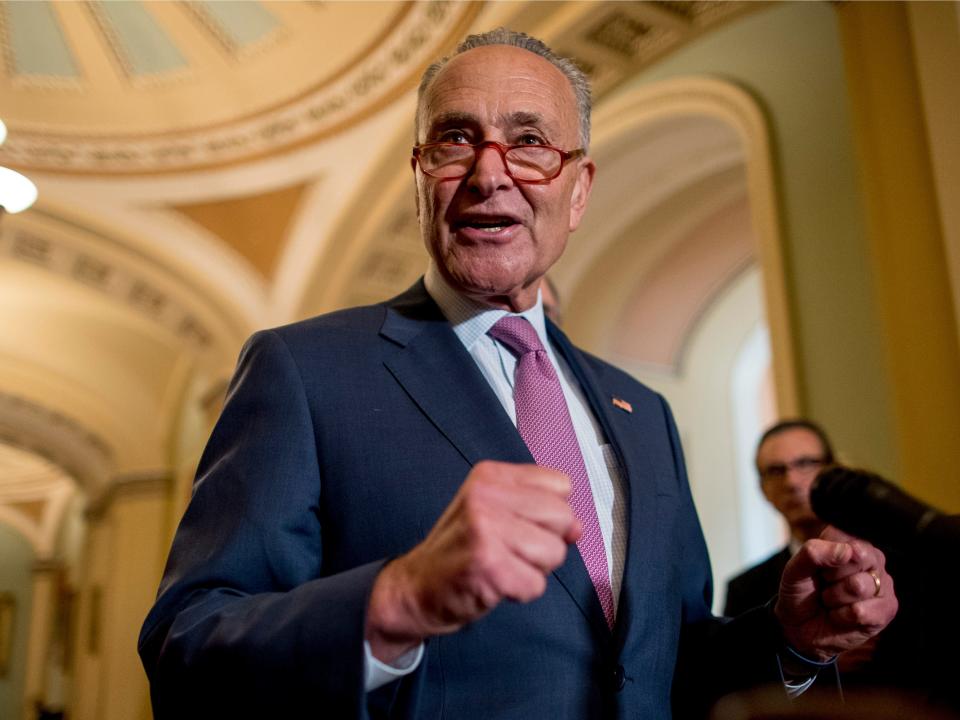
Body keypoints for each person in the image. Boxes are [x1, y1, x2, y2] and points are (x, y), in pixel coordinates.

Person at [139, 29, 897, 720]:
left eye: (529, 141)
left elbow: (662, 661)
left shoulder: (644, 412)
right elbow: (188, 644)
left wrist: (790, 638)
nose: (488, 173)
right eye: (454, 140)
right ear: (419, 176)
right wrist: (393, 602)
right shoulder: (305, 370)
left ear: (579, 189)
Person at [724, 419, 834, 617]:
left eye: (805, 463)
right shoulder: (745, 591)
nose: (791, 482)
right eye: (776, 471)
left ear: (833, 470)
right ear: (763, 489)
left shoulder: (893, 558)